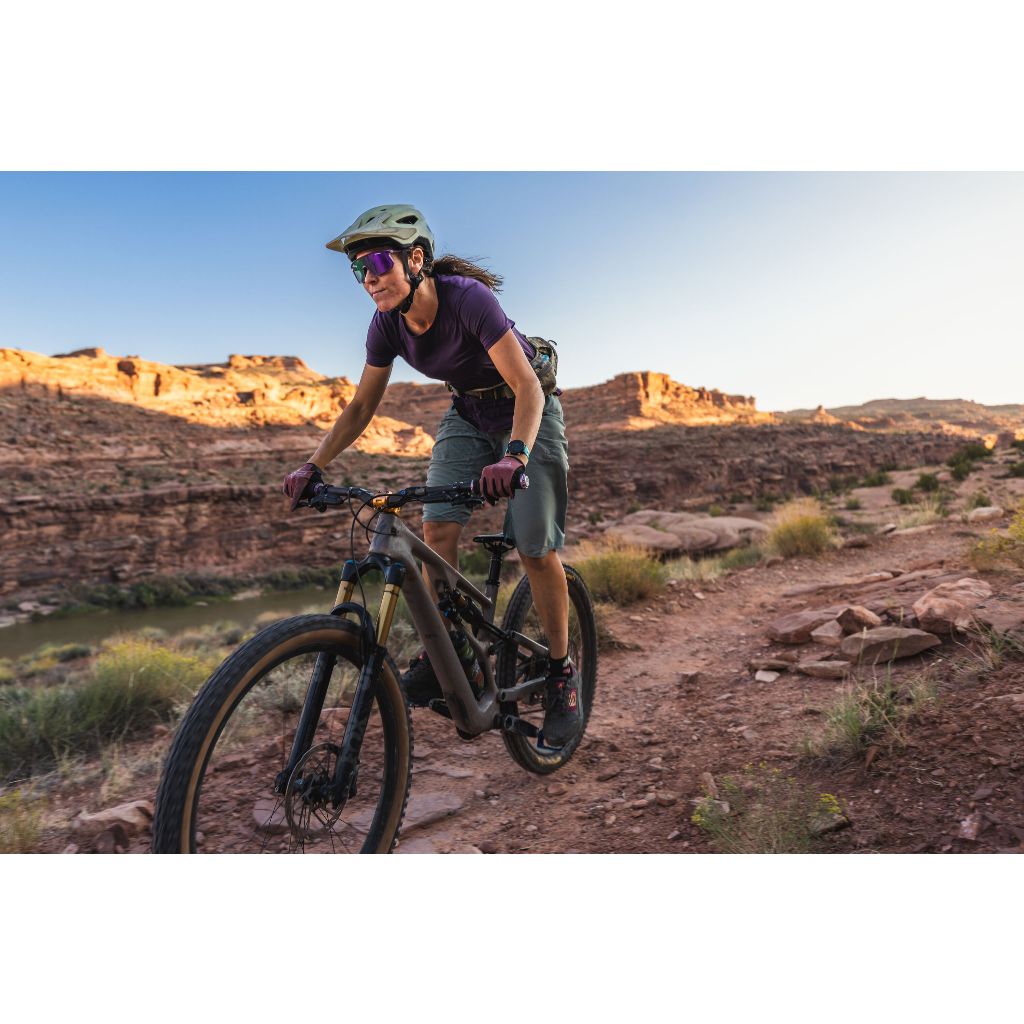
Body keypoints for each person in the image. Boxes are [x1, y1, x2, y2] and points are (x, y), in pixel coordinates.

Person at [282, 204, 580, 747]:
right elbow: (361, 407)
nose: (369, 278)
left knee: (535, 548)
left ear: (415, 259)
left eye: (378, 263)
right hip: (468, 412)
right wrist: (313, 464)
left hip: (525, 409)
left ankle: (561, 674)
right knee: (437, 530)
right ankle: (455, 652)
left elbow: (528, 388)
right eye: (358, 269)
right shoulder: (386, 325)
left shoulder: (468, 299)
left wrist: (514, 456)